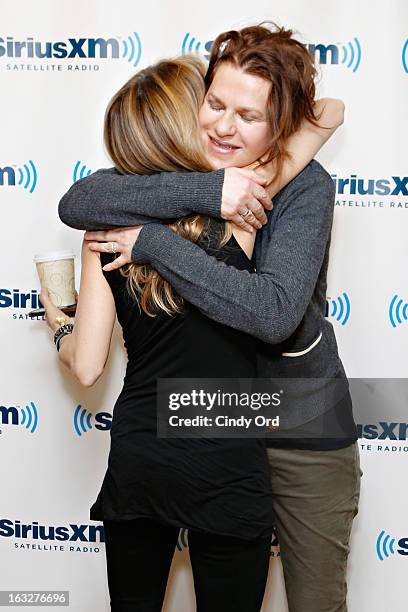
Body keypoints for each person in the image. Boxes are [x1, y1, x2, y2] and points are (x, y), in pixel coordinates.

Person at [58, 24, 361, 612]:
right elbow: (78, 202)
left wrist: (152, 242)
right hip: (209, 416)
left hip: (299, 418)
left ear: (283, 126)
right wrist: (208, 189)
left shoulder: (304, 185)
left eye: (248, 116)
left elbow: (272, 313)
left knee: (316, 600)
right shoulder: (178, 185)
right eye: (214, 104)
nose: (224, 126)